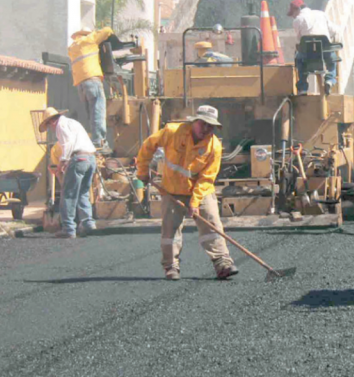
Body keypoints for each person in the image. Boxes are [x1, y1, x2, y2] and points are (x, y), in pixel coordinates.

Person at [136, 105, 238, 281]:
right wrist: (143, 171)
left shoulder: (214, 147)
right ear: (194, 121)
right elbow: (148, 146)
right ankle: (171, 266)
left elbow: (207, 178)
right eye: (202, 124)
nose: (205, 129)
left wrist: (195, 202)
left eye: (210, 126)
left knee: (212, 224)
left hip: (200, 190)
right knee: (170, 230)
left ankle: (222, 263)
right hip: (172, 189)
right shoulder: (172, 132)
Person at [39, 107, 97, 239]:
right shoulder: (73, 123)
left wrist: (62, 162)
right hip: (90, 159)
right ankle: (88, 224)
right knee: (83, 192)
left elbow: (68, 143)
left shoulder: (61, 125)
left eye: (49, 126)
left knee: (68, 194)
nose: (51, 128)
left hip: (79, 159)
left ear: (51, 121)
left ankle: (68, 228)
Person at [68, 27, 114, 152]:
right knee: (98, 111)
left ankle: (94, 140)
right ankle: (99, 142)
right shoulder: (90, 39)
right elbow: (107, 30)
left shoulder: (72, 48)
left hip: (80, 84)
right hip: (92, 80)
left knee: (91, 113)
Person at [288, 0, 341, 95]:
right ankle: (329, 80)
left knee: (299, 60)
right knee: (332, 59)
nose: (293, 16)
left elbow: (300, 39)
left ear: (297, 9)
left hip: (308, 54)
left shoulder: (297, 20)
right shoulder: (321, 14)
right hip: (325, 52)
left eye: (293, 13)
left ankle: (303, 88)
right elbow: (333, 30)